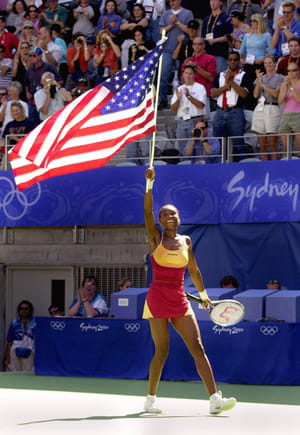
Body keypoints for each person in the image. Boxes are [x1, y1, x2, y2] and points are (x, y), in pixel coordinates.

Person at [142, 166, 237, 414]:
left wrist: (204, 297)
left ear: (179, 217)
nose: (168, 217)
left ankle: (214, 399)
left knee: (197, 347)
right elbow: (146, 212)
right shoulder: (155, 238)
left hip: (179, 299)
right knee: (162, 351)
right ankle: (150, 399)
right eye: (164, 215)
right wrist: (150, 185)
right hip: (157, 299)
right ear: (160, 221)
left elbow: (194, 271)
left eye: (172, 214)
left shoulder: (186, 241)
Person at [210, 51, 253, 161]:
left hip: (236, 112)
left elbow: (244, 94)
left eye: (235, 60)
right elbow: (212, 93)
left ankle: (240, 166)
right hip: (220, 111)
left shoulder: (245, 75)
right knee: (219, 142)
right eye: (230, 60)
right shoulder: (220, 75)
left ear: (239, 61)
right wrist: (226, 85)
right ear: (227, 61)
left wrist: (232, 82)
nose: (232, 62)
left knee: (238, 143)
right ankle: (220, 166)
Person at [157, 0, 193, 110]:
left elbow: (191, 30)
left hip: (183, 50)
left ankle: (184, 100)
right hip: (167, 49)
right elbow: (161, 31)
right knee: (163, 76)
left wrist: (177, 22)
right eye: (170, 1)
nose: (171, 3)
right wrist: (171, 25)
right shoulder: (166, 14)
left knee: (184, 76)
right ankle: (163, 100)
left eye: (174, 0)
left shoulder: (188, 13)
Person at [251, 54, 284, 160]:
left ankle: (275, 169)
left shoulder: (280, 78)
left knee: (273, 143)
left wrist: (263, 85)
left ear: (274, 63)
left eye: (270, 62)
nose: (268, 65)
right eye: (266, 63)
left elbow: (276, 94)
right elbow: (255, 95)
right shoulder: (262, 77)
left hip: (272, 107)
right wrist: (259, 81)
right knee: (262, 144)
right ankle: (264, 169)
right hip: (260, 107)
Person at [170, 64, 207, 155]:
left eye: (190, 73)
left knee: (196, 147)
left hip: (195, 121)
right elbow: (173, 109)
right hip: (182, 121)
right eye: (186, 73)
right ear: (183, 75)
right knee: (182, 147)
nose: (188, 76)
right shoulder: (179, 88)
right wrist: (178, 99)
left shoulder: (200, 88)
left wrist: (188, 96)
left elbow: (201, 105)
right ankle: (184, 163)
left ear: (194, 75)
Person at [239, 13, 274, 80]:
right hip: (248, 63)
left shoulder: (266, 35)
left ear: (260, 22)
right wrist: (240, 59)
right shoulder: (247, 36)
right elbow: (241, 50)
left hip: (260, 64)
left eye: (255, 21)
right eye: (251, 21)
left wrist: (263, 59)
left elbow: (271, 52)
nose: (252, 23)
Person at [201, 0, 233, 73]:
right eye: (211, 1)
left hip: (220, 52)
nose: (213, 3)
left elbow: (228, 36)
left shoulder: (226, 18)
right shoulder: (206, 19)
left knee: (219, 75)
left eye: (215, 1)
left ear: (220, 2)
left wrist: (214, 40)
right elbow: (202, 36)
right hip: (207, 52)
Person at [4, 300, 36, 372]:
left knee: (27, 374)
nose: (23, 310)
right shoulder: (14, 323)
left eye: (26, 308)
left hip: (30, 351)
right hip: (14, 352)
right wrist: (7, 358)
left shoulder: (35, 323)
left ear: (30, 310)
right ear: (18, 310)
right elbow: (9, 342)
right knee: (15, 373)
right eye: (21, 309)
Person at [278, 62, 300, 156]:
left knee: (299, 146)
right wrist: (285, 87)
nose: (291, 73)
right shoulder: (284, 84)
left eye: (293, 70)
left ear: (298, 71)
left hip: (298, 114)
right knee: (285, 147)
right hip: (286, 115)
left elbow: (299, 99)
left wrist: (290, 88)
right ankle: (285, 166)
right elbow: (280, 101)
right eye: (289, 71)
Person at [119, 3, 149, 68]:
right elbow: (121, 27)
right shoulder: (130, 20)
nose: (136, 12)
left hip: (136, 42)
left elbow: (139, 26)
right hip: (126, 42)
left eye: (138, 10)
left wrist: (129, 26)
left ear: (142, 11)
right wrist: (130, 25)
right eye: (135, 10)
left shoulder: (145, 19)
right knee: (124, 64)